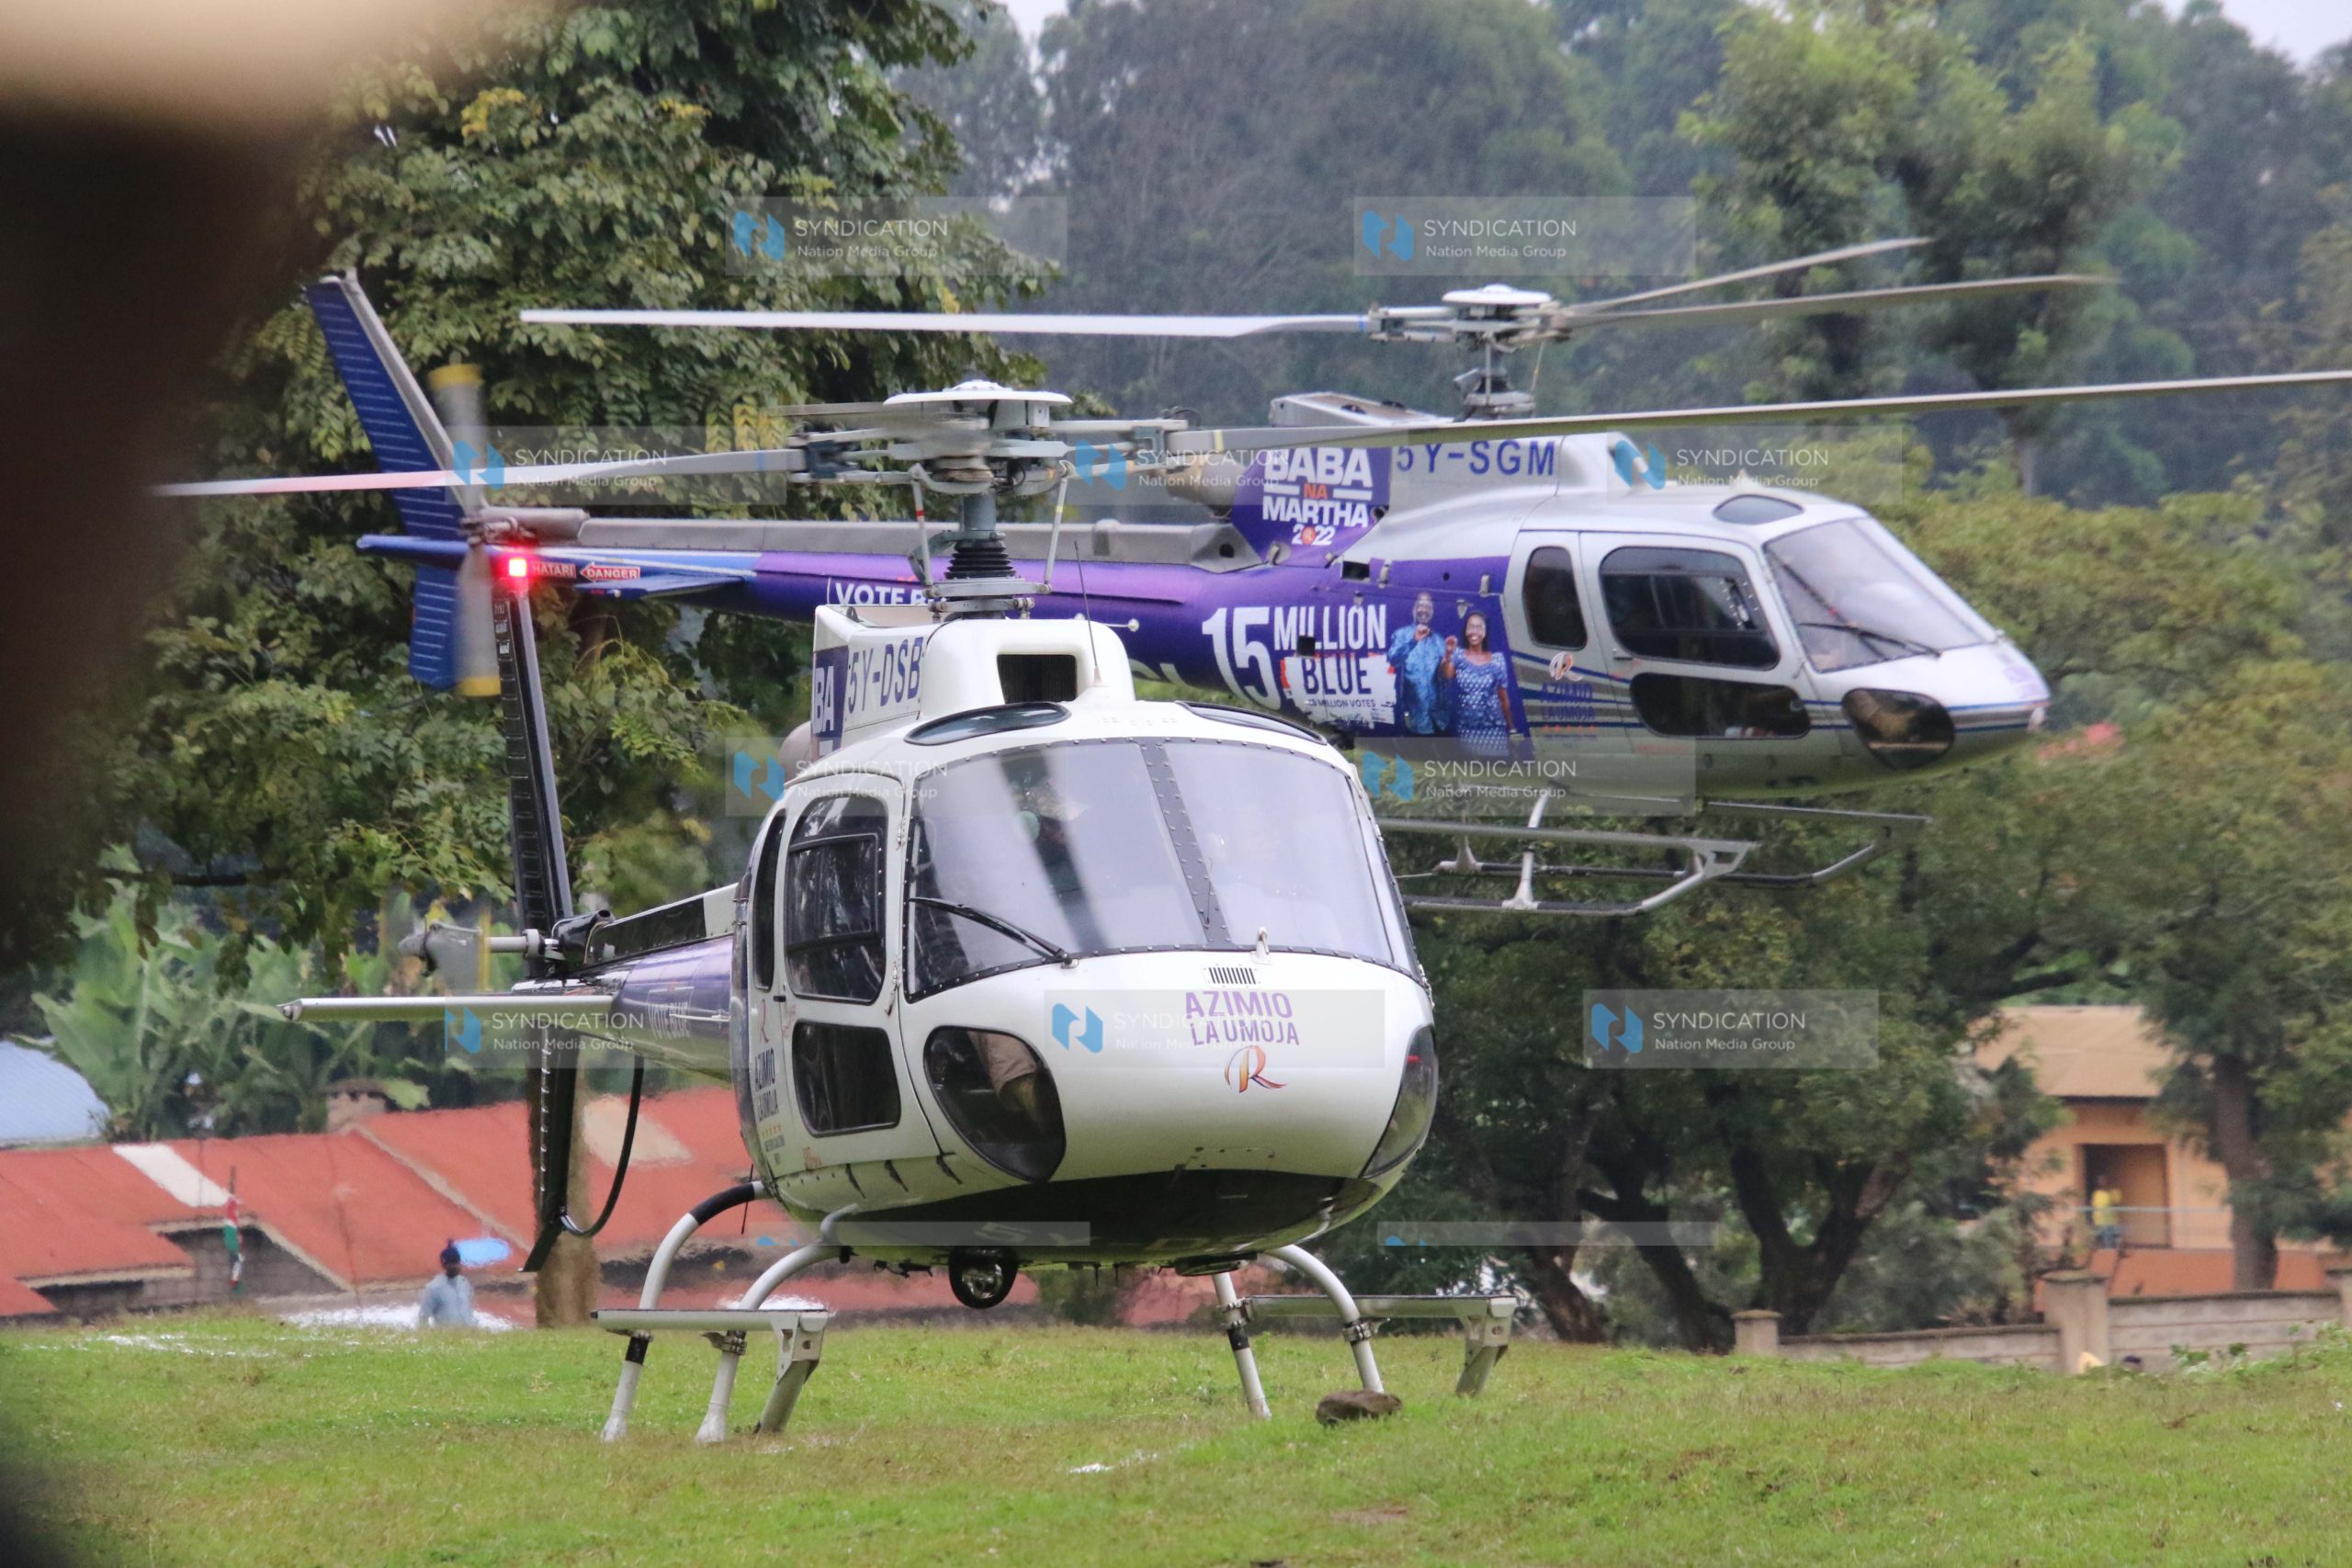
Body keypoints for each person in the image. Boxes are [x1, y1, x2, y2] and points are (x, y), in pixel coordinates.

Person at [1442, 611, 1512, 757]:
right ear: (1465, 631)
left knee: (1495, 772)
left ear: (1485, 632)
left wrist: (1511, 728)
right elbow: (1447, 675)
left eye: (1478, 627)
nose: (1474, 631)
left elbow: (1503, 699)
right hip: (1468, 728)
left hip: (1493, 729)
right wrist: (1448, 653)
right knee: (1471, 772)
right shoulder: (1458, 655)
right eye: (1471, 627)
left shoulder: (1497, 660)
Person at [1385, 592, 1453, 735]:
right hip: (1415, 720)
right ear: (1414, 609)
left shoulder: (1440, 641)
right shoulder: (1402, 634)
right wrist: (1413, 640)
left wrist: (1448, 657)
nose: (1424, 610)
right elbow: (1393, 659)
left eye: (1428, 607)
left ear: (1432, 612)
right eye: (1420, 605)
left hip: (1439, 721)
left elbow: (1446, 677)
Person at [418, 1241, 476, 1328]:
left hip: (468, 1336)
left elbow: (469, 1310)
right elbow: (423, 1317)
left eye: (457, 1263)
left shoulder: (464, 1283)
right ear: (445, 1265)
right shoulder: (434, 1287)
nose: (455, 1266)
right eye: (451, 1263)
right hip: (447, 1337)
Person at [2089, 1184, 2122, 1252]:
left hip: (2109, 1221)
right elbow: (2093, 1205)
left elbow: (2116, 1204)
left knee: (2109, 1239)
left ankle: (2109, 1252)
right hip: (2098, 1221)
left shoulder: (2113, 1193)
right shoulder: (2096, 1194)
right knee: (2098, 1237)